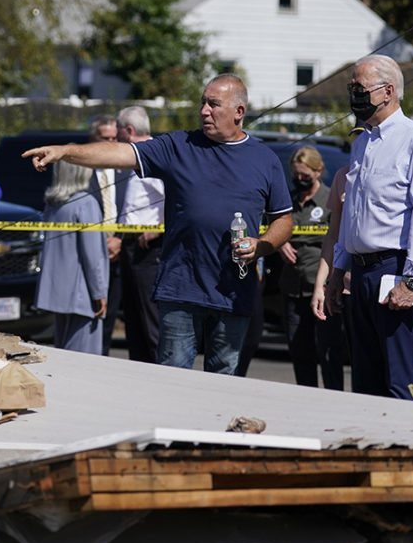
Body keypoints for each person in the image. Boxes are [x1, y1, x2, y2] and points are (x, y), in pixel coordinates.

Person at [25, 74, 293, 374]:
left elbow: (283, 220)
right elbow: (120, 152)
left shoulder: (265, 159)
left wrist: (261, 245)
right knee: (172, 380)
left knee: (224, 383)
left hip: (234, 293)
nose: (204, 110)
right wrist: (65, 152)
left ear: (238, 112)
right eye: (203, 103)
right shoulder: (180, 145)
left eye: (213, 104)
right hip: (180, 290)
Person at [326, 55, 413, 399]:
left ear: (388, 91)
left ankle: (407, 452)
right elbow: (353, 215)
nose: (353, 95)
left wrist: (412, 279)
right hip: (360, 275)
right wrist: (338, 271)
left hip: (396, 272)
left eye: (359, 88)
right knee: (365, 381)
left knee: (400, 382)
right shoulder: (362, 142)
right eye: (352, 88)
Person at [279, 146, 344, 390]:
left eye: (305, 175)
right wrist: (281, 242)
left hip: (322, 289)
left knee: (329, 352)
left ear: (319, 171)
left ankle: (334, 397)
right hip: (293, 288)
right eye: (295, 175)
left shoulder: (330, 200)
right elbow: (271, 228)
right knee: (299, 351)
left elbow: (336, 240)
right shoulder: (287, 201)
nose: (299, 180)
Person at [35, 160, 108, 354]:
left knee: (63, 352)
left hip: (58, 294)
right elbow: (92, 254)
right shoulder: (86, 203)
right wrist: (99, 292)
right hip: (82, 294)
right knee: (84, 360)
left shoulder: (53, 203)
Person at [114, 106, 163, 363]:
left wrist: (157, 228)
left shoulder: (154, 156)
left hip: (148, 251)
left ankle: (163, 377)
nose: (115, 135)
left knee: (150, 322)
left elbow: (179, 198)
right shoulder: (136, 157)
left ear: (129, 130)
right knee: (134, 322)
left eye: (118, 130)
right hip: (130, 248)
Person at [88, 114, 131, 356]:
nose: (111, 143)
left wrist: (119, 241)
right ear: (93, 139)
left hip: (117, 256)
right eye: (105, 138)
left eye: (115, 138)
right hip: (90, 257)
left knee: (108, 323)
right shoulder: (81, 172)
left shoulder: (126, 172)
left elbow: (132, 210)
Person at [311, 165, 353, 389]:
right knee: (330, 355)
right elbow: (333, 236)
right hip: (342, 285)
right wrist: (321, 285)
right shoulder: (342, 175)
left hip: (377, 286)